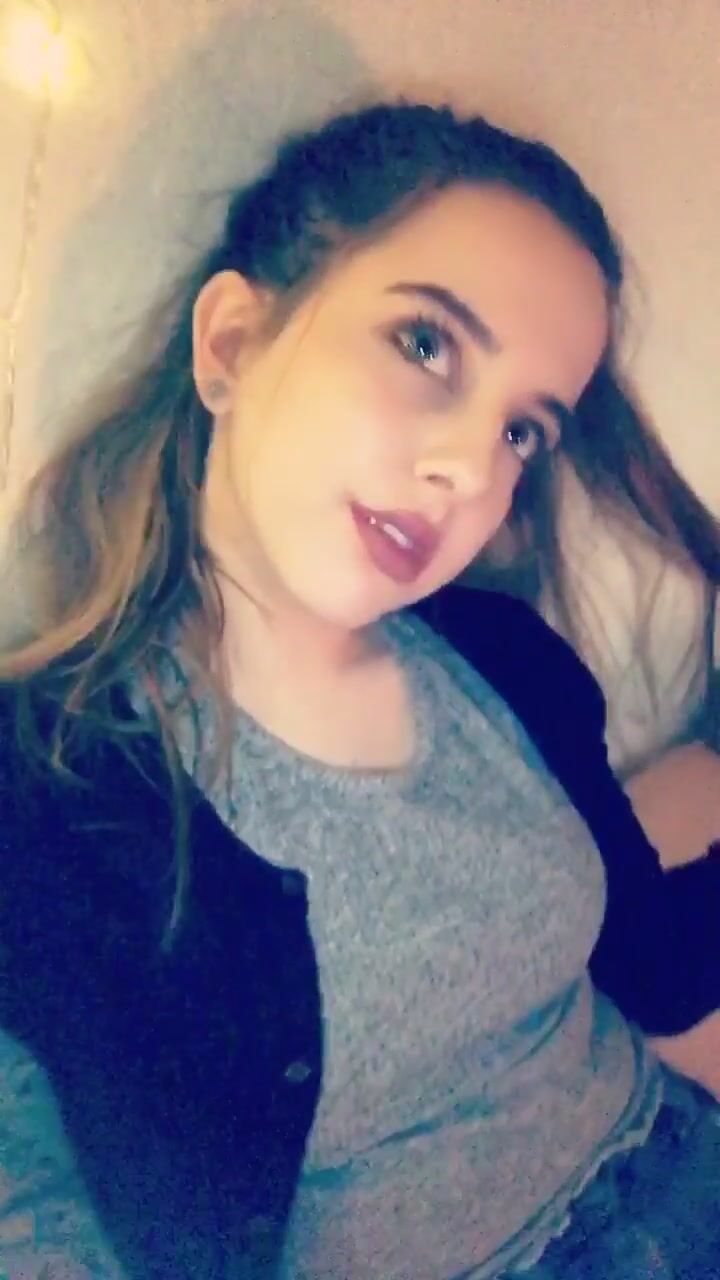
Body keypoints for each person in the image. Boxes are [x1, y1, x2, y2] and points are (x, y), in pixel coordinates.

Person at [0, 100, 719, 1280]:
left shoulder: (507, 659)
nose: (471, 469)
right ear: (234, 342)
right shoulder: (42, 784)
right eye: (426, 344)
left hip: (682, 1165)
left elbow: (655, 963)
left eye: (524, 431)